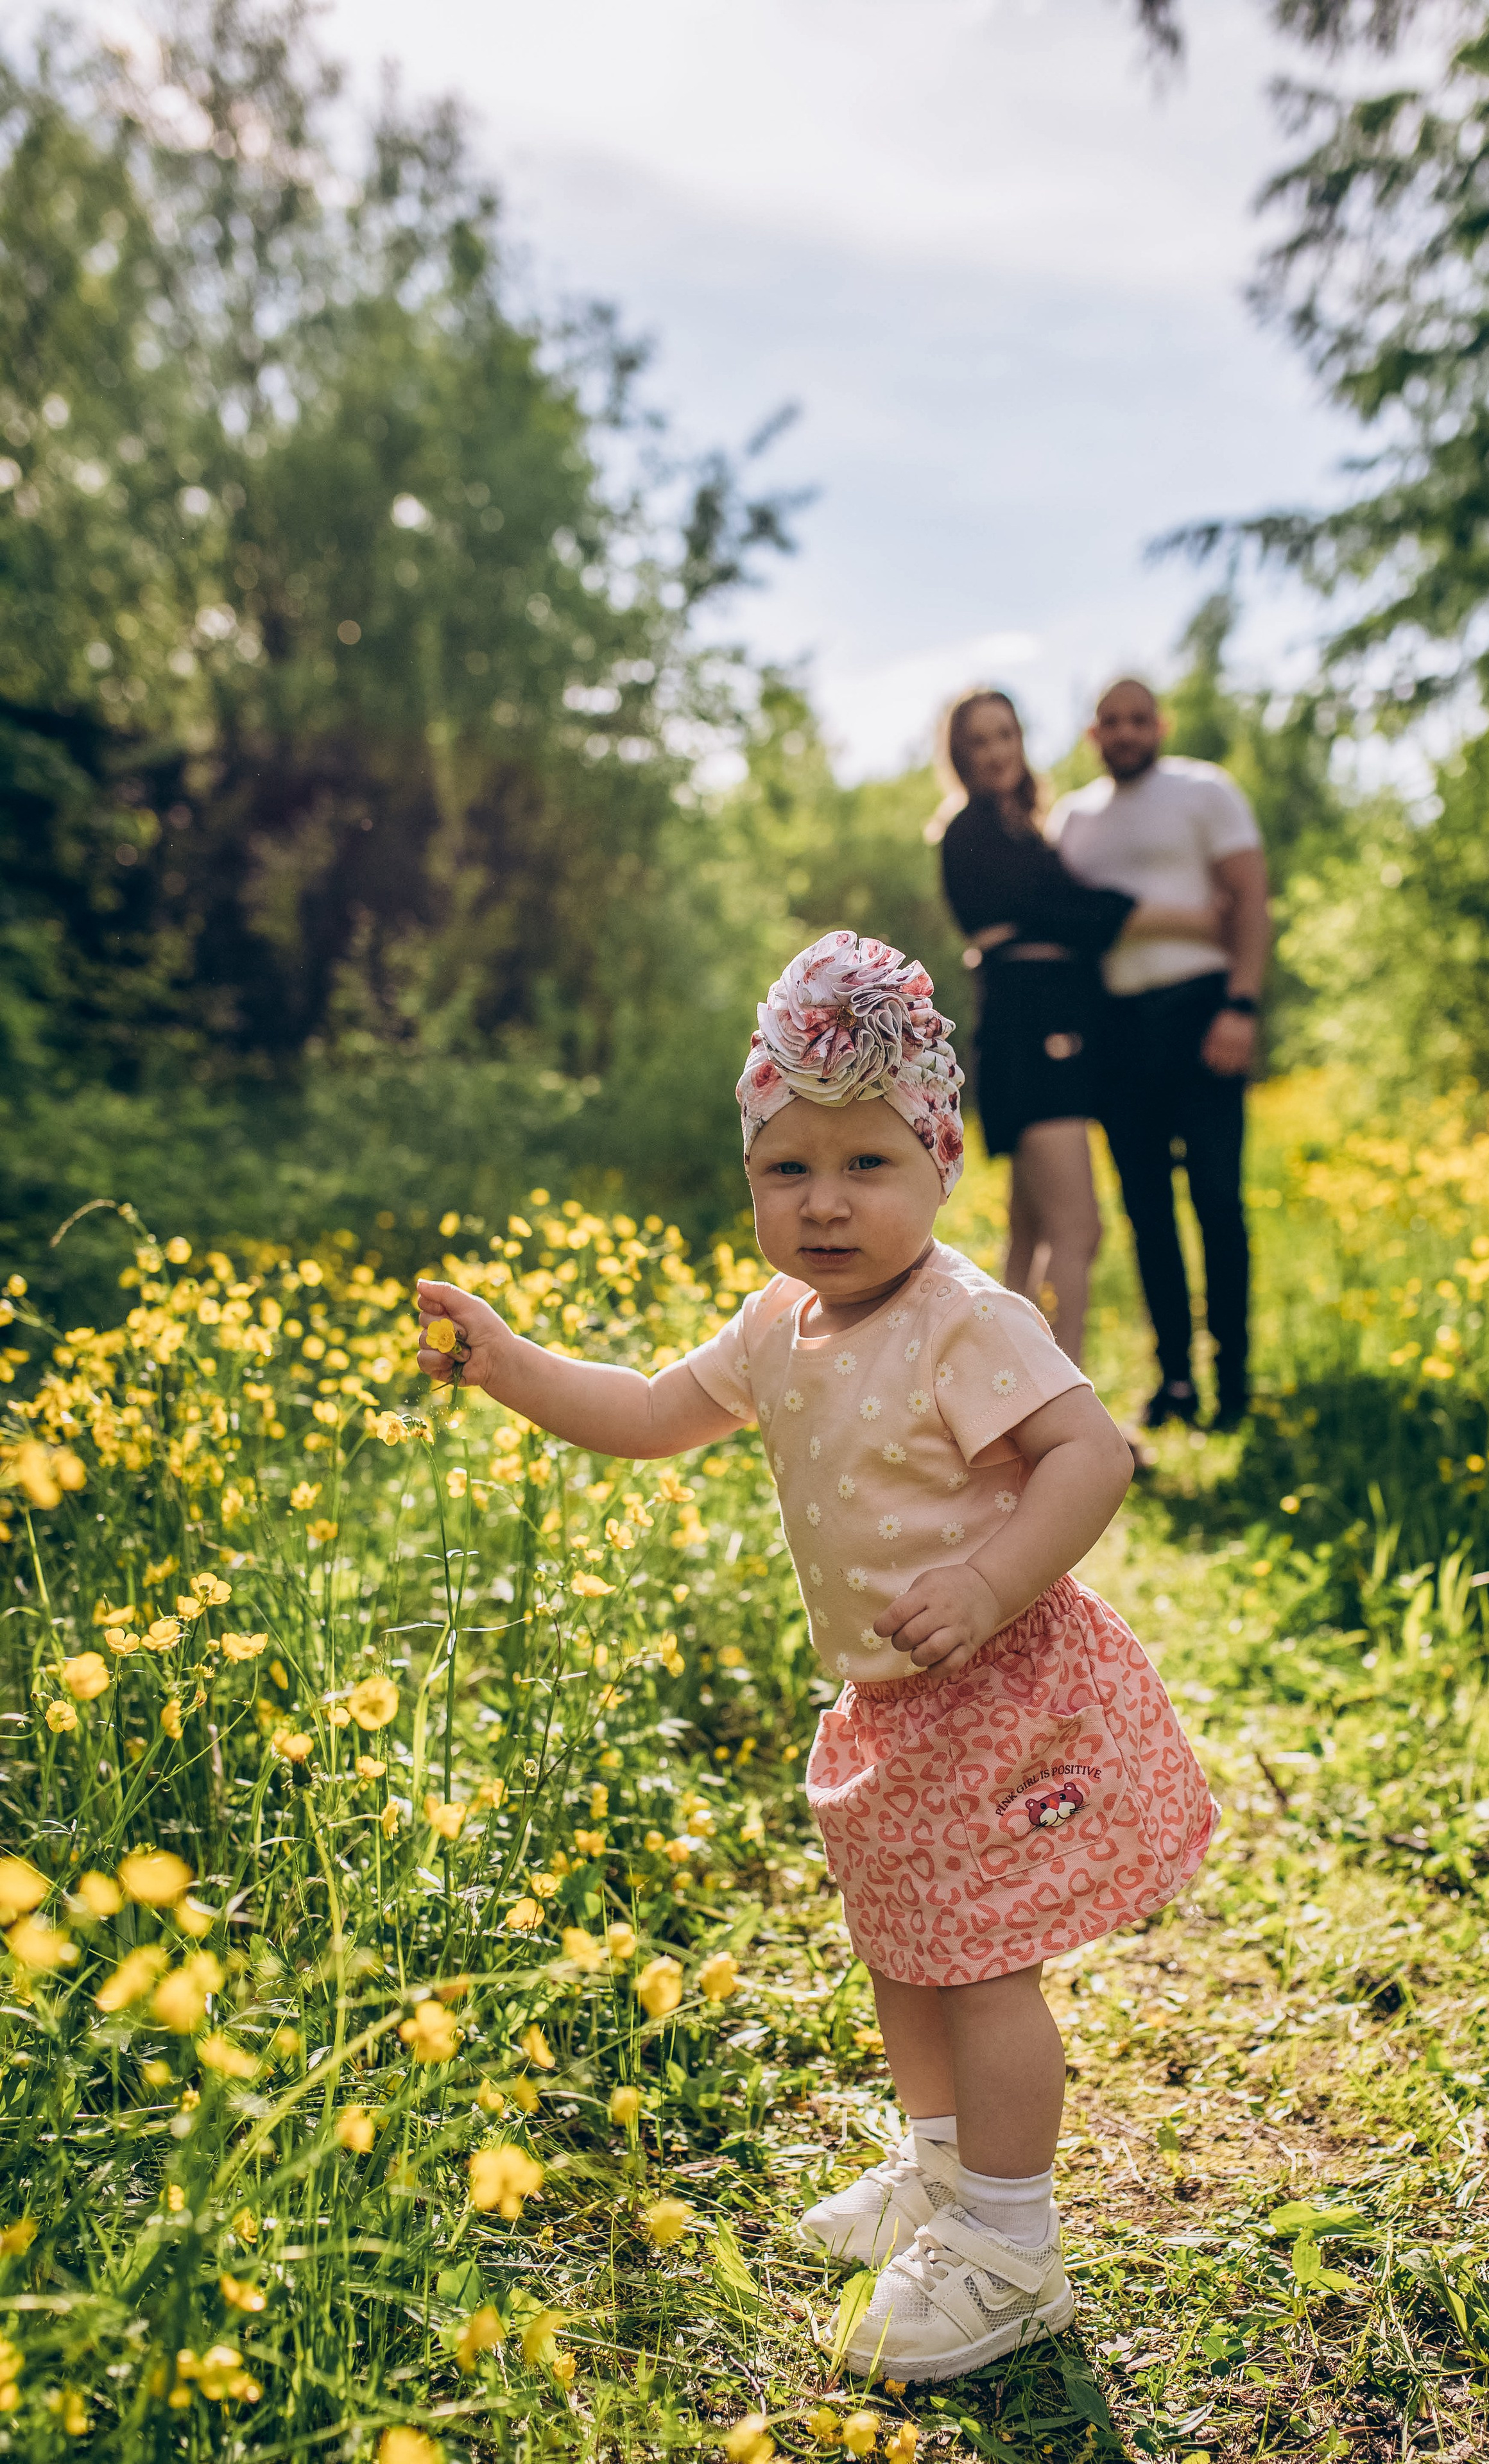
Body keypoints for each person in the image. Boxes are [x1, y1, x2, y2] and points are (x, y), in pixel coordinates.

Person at [415, 931, 1218, 2384]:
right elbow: (653, 1408)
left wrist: (985, 1577)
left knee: (982, 1974)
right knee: (903, 1954)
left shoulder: (960, 1315)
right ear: (749, 1178)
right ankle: (934, 2169)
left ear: (936, 1164)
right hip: (893, 1707)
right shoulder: (776, 1324)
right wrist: (510, 1362)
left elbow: (1086, 1456)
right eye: (789, 1168)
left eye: (866, 1164)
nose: (826, 1202)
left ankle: (1007, 2244)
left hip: (997, 1688)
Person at [932, 686, 1225, 1369]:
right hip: (1031, 1040)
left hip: (1042, 1034)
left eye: (1006, 734)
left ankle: (999, 1398)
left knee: (1030, 1234)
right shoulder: (971, 831)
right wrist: (1189, 919)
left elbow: (1062, 913)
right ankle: (1066, 1415)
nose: (997, 751)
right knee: (1078, 1229)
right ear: (959, 755)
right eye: (980, 740)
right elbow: (1068, 908)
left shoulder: (1018, 827)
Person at [1048, 678, 1271, 1431]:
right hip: (1113, 1031)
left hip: (1201, 1012)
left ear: (1160, 724)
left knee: (1216, 1200)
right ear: (1092, 734)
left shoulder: (1204, 791)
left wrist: (1240, 1004)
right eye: (1111, 720)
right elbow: (1064, 922)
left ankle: (1233, 1378)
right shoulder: (1071, 818)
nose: (1126, 731)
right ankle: (1174, 1379)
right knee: (1146, 1212)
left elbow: (1250, 899)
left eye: (1139, 719)